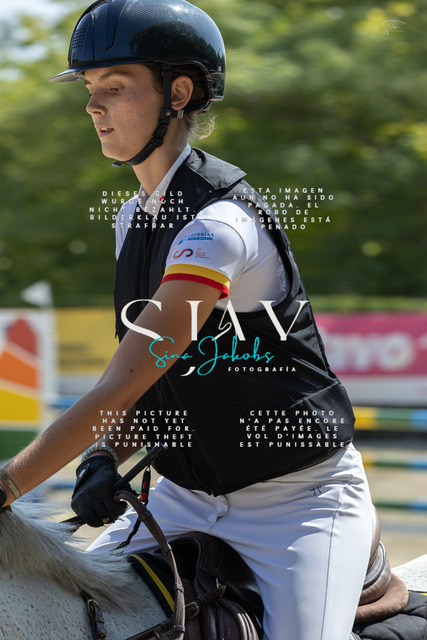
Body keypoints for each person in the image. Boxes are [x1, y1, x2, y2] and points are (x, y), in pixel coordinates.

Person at [0, 1, 374, 638]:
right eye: (89, 89)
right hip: (181, 498)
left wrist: (7, 486)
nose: (92, 106)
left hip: (298, 505)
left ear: (178, 94)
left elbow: (120, 384)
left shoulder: (220, 227)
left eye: (114, 87)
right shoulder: (132, 218)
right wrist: (106, 453)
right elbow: (155, 385)